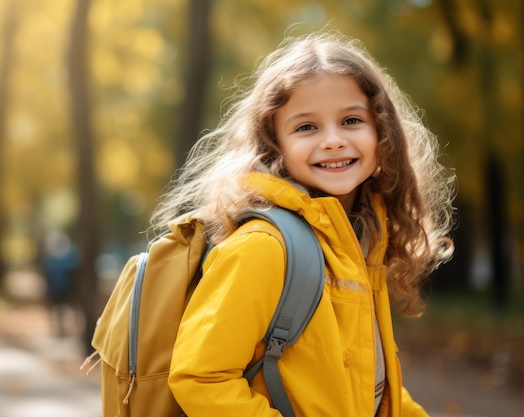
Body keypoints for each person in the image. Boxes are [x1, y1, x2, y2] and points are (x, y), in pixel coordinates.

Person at [153, 30, 456, 416]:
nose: (332, 140)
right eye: (306, 127)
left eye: (350, 120)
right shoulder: (262, 247)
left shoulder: (358, 239)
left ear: (382, 132)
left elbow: (363, 385)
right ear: (274, 144)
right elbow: (200, 377)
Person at [41, 230, 81, 338]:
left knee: (59, 311)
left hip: (56, 289)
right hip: (65, 289)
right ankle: (65, 329)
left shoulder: (51, 260)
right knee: (66, 310)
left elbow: (47, 276)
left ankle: (61, 329)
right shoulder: (68, 259)